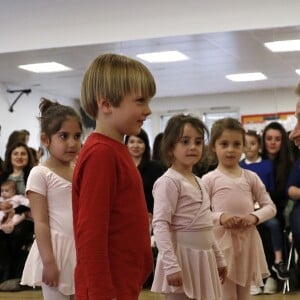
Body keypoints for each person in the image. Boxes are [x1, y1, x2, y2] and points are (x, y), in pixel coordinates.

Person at [72, 53, 156, 299]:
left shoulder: (116, 149)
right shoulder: (101, 155)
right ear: (106, 104)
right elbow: (91, 235)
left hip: (123, 283)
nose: (148, 110)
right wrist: (101, 293)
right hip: (108, 289)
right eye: (140, 101)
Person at [151, 114, 227, 300]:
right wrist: (171, 265)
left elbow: (207, 224)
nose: (193, 147)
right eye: (185, 141)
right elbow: (160, 225)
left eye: (198, 141)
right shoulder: (168, 182)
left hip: (203, 259)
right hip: (180, 259)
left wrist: (218, 257)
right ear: (170, 148)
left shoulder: (200, 182)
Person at [202, 117, 276, 300]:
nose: (230, 150)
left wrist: (254, 217)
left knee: (244, 294)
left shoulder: (251, 177)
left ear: (243, 146)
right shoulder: (209, 179)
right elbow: (198, 213)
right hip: (221, 245)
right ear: (213, 146)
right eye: (224, 144)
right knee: (226, 294)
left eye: (236, 144)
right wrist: (220, 217)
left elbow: (270, 207)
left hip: (247, 243)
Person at [21, 98, 83, 300]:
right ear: (45, 139)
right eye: (63, 136)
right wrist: (48, 262)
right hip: (56, 251)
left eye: (77, 136)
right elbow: (40, 222)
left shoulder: (79, 171)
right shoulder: (40, 173)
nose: (72, 143)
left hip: (81, 248)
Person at [259, 121, 294, 293]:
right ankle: (263, 276)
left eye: (278, 139)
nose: (273, 142)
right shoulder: (256, 162)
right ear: (263, 141)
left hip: (278, 211)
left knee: (273, 225)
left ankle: (273, 276)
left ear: (283, 142)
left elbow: (284, 195)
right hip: (256, 209)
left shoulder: (289, 164)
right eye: (269, 138)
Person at [0, 141, 35, 284]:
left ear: (28, 157)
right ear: (10, 156)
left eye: (23, 153)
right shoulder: (3, 176)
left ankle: (15, 274)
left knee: (17, 233)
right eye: (16, 153)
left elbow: (33, 201)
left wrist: (15, 210)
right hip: (3, 215)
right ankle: (5, 271)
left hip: (26, 217)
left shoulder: (32, 175)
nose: (19, 156)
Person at [125, 129, 165, 218]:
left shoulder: (155, 167)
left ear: (145, 145)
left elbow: (162, 195)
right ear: (126, 145)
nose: (135, 145)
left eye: (140, 142)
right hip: (126, 217)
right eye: (131, 142)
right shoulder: (121, 167)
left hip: (151, 217)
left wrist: (152, 212)